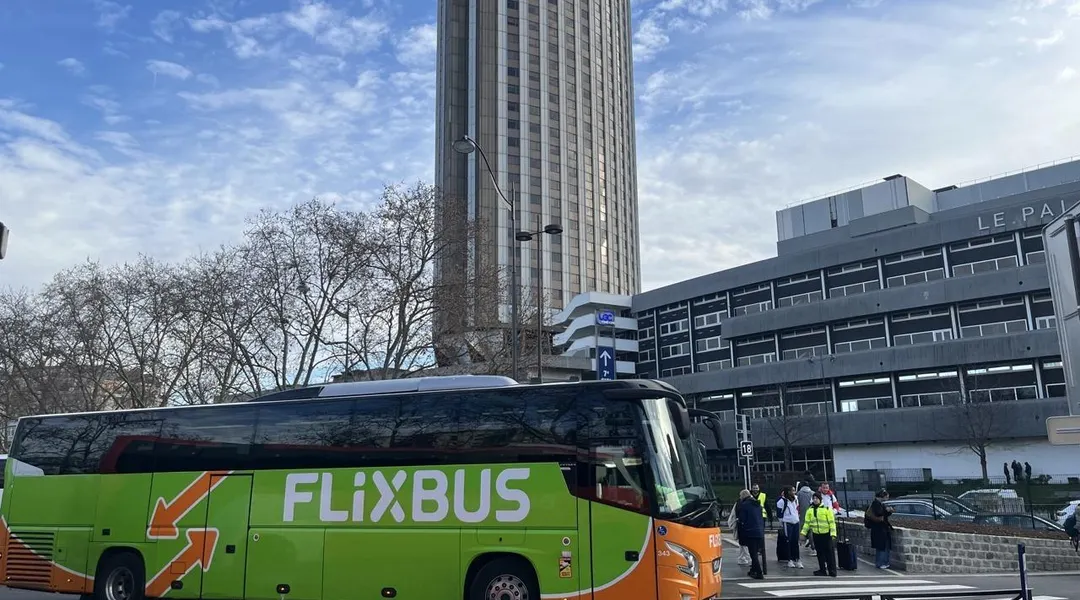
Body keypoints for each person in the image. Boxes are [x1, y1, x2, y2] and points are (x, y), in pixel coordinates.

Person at [801, 492, 837, 577]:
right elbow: (807, 523)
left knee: (829, 554)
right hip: (816, 534)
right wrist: (803, 533)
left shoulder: (827, 509)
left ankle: (832, 570)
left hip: (826, 534)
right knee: (820, 553)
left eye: (816, 498)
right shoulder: (810, 510)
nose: (815, 500)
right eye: (814, 498)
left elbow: (831, 522)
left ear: (820, 499)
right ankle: (822, 570)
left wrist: (833, 534)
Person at [736, 489, 767, 579]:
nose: (740, 498)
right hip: (759, 531)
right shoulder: (758, 505)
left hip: (750, 532)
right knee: (755, 552)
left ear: (743, 496)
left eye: (740, 496)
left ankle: (759, 573)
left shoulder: (744, 505)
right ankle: (753, 570)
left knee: (753, 554)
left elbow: (742, 519)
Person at [865, 488, 895, 569]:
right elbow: (879, 514)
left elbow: (883, 515)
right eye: (886, 497)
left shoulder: (879, 503)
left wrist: (888, 511)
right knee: (882, 547)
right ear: (883, 496)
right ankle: (881, 563)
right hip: (879, 528)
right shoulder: (876, 503)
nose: (887, 498)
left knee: (883, 546)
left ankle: (884, 562)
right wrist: (887, 510)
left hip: (880, 528)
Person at [776, 485, 804, 569]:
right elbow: (779, 514)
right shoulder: (781, 501)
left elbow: (797, 509)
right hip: (787, 522)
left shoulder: (795, 499)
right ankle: (790, 559)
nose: (794, 492)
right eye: (793, 491)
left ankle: (797, 559)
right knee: (788, 541)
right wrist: (782, 522)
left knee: (795, 541)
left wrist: (797, 517)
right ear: (788, 492)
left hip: (796, 522)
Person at [795, 481, 816, 555]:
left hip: (802, 515)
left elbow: (797, 504)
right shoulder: (813, 493)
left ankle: (807, 542)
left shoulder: (799, 494)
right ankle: (813, 546)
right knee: (811, 531)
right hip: (812, 515)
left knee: (803, 530)